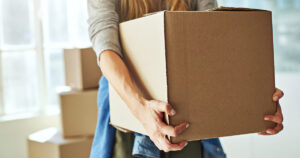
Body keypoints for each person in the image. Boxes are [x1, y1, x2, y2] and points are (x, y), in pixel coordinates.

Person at [87, 0, 285, 158]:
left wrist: (256, 95)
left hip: (187, 112)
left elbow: (215, 40)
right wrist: (141, 110)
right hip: (128, 107)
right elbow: (105, 46)